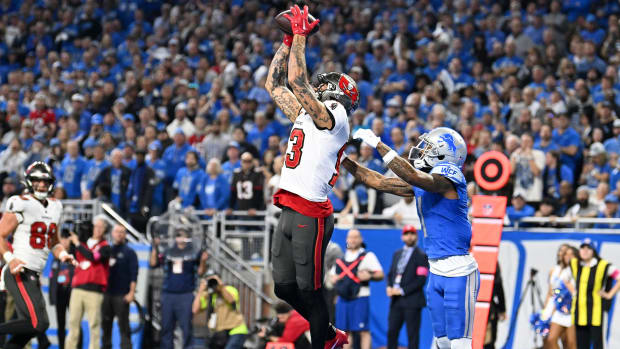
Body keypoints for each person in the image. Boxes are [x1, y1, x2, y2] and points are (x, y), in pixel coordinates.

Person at [265, 5, 358, 348]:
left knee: (310, 290)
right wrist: (288, 40)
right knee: (284, 288)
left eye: (326, 86)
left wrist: (301, 35)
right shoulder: (311, 114)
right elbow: (274, 85)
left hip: (311, 212)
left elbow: (296, 80)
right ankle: (330, 332)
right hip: (290, 208)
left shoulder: (337, 115)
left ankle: (326, 340)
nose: (320, 88)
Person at [342, 127, 480, 349]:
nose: (423, 151)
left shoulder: (450, 177)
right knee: (442, 341)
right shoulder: (423, 183)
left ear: (446, 154)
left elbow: (413, 175)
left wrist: (379, 144)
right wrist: (342, 158)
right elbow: (376, 180)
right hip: (436, 269)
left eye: (430, 148)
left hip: (459, 270)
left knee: (460, 342)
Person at [0, 162, 76, 349]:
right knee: (39, 324)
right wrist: (11, 259)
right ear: (29, 182)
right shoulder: (20, 203)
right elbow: (0, 235)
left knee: (31, 328)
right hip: (19, 270)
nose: (42, 185)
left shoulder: (55, 206)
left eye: (45, 181)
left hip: (33, 274)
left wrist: (63, 254)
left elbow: (53, 241)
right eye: (37, 181)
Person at [150, 228, 209, 349]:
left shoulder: (192, 252)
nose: (181, 238)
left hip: (185, 294)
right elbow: (153, 263)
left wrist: (203, 261)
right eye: (178, 236)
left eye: (183, 236)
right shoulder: (169, 251)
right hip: (168, 294)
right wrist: (155, 247)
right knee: (166, 326)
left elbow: (200, 272)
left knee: (186, 327)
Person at [329, 229, 383, 349]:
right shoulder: (341, 259)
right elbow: (332, 278)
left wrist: (370, 275)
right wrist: (334, 280)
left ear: (361, 239)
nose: (352, 240)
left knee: (363, 330)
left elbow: (380, 274)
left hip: (360, 298)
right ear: (346, 240)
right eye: (350, 237)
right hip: (343, 299)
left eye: (355, 237)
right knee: (345, 331)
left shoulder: (367, 256)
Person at [65, 216, 112, 349]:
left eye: (101, 227)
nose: (97, 229)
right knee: (73, 323)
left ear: (105, 230)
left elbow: (93, 257)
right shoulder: (83, 244)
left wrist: (78, 243)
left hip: (95, 291)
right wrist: (72, 242)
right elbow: (70, 253)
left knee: (94, 325)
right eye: (96, 226)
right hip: (78, 288)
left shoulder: (105, 247)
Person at [571, 238, 620, 349]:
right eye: (583, 248)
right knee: (581, 344)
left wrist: (609, 294)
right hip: (580, 312)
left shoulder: (603, 265)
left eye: (588, 248)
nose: (585, 250)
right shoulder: (576, 264)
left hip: (596, 312)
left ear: (593, 251)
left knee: (598, 344)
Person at [386, 225, 429, 349]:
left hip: (412, 302)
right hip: (396, 302)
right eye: (406, 234)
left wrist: (401, 290)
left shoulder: (421, 255)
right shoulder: (397, 254)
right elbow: (390, 274)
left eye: (412, 233)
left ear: (416, 236)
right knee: (392, 332)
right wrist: (389, 287)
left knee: (412, 335)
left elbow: (421, 280)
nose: (409, 236)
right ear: (402, 236)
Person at [102, 225, 138, 349]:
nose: (119, 234)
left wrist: (131, 293)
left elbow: (134, 274)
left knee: (124, 327)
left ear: (125, 235)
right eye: (117, 232)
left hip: (122, 295)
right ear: (112, 233)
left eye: (122, 232)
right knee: (105, 327)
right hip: (107, 294)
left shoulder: (130, 252)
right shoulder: (107, 251)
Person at [191, 272, 248, 349]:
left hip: (236, 329)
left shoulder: (230, 289)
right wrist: (200, 291)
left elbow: (231, 301)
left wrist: (221, 286)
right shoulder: (208, 295)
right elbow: (195, 310)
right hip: (220, 333)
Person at [542, 244, 577, 349]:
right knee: (550, 338)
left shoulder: (576, 271)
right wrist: (546, 309)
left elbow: (574, 291)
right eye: (565, 253)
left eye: (571, 254)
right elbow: (551, 291)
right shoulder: (555, 270)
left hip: (570, 309)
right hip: (555, 307)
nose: (566, 255)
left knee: (569, 342)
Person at [49, 230, 76, 349]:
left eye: (66, 239)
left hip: (72, 294)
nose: (64, 242)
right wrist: (52, 296)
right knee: (61, 324)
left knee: (75, 324)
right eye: (62, 239)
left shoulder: (75, 254)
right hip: (60, 293)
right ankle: (61, 347)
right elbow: (51, 278)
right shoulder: (55, 258)